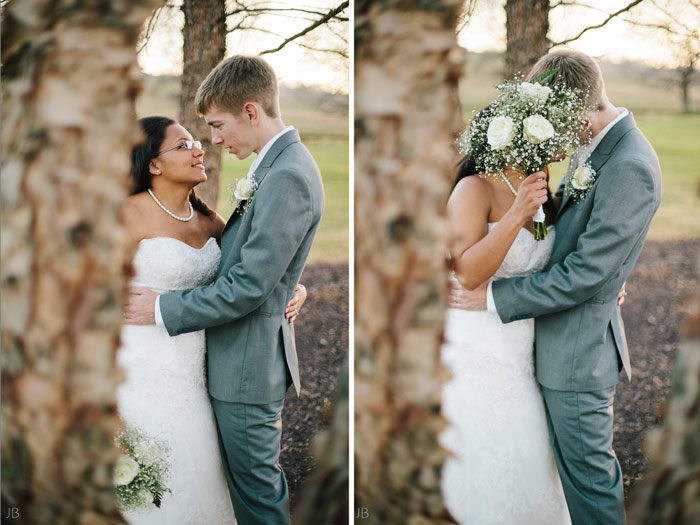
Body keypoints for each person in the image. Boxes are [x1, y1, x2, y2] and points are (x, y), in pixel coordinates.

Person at [449, 49, 661, 525]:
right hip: (538, 346)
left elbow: (587, 273)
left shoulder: (628, 164)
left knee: (588, 484)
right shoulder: (597, 150)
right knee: (557, 476)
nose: (552, 136)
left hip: (577, 354)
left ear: (580, 110)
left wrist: (492, 297)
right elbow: (566, 233)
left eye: (554, 120)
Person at [124, 56, 325, 525]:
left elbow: (248, 283)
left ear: (250, 112)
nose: (211, 143)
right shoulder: (275, 167)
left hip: (241, 367)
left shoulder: (286, 173)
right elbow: (254, 261)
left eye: (215, 126)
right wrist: (291, 286)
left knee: (255, 495)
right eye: (193, 139)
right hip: (178, 365)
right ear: (152, 163)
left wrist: (161, 308)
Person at [440, 105, 572, 523]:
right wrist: (516, 213)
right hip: (479, 345)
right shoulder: (472, 189)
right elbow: (468, 273)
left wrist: (608, 283)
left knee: (533, 451)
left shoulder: (543, 191)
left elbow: (560, 263)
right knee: (490, 451)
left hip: (529, 343)